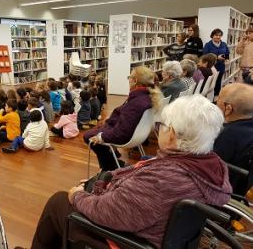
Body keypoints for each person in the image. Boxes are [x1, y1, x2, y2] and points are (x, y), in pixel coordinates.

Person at [26, 95, 231, 249]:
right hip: (155, 230)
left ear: (172, 135)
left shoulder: (163, 180)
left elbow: (110, 213)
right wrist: (98, 182)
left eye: (161, 126)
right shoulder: (211, 164)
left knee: (59, 201)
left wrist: (78, 195)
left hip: (128, 240)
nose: (157, 130)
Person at [84, 66, 163, 171]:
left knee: (88, 136)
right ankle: (112, 158)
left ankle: (111, 167)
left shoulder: (137, 101)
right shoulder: (147, 95)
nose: (128, 79)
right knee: (97, 130)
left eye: (129, 77)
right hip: (138, 134)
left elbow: (121, 132)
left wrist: (102, 137)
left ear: (134, 81)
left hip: (124, 135)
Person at [214, 83, 253, 195]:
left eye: (219, 99)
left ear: (228, 109)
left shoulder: (225, 135)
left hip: (223, 195)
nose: (216, 103)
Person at [203, 28, 229, 96]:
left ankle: (217, 97)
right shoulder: (207, 45)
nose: (218, 37)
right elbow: (205, 57)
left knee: (218, 83)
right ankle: (209, 98)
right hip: (211, 68)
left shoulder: (224, 44)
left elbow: (227, 54)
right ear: (212, 36)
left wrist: (226, 59)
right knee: (210, 83)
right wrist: (217, 58)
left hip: (221, 67)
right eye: (216, 35)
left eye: (220, 35)